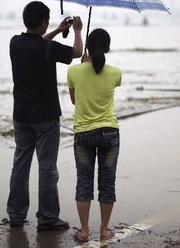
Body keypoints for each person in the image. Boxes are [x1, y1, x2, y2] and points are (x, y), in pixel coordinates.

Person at [7, 1, 83, 231]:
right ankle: (48, 218)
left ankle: (16, 215)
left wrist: (59, 31)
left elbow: (37, 43)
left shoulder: (15, 43)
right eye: (47, 21)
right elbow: (78, 52)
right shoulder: (47, 48)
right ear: (43, 22)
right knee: (47, 168)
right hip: (46, 118)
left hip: (21, 116)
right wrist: (77, 31)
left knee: (20, 165)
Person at [67, 28, 121, 242]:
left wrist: (82, 66)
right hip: (110, 133)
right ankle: (104, 231)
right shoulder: (116, 73)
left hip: (83, 134)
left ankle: (84, 231)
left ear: (87, 47)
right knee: (107, 183)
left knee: (84, 183)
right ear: (107, 47)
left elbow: (74, 100)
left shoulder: (74, 71)